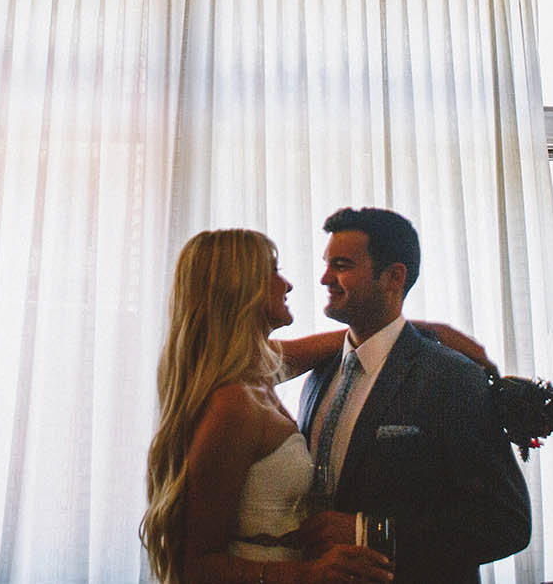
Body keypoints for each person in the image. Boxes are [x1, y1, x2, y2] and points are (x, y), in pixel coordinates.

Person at [142, 229, 490, 584]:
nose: (288, 284)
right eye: (273, 271)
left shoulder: (256, 372)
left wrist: (424, 333)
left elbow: (356, 341)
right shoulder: (234, 404)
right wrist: (305, 574)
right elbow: (193, 566)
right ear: (239, 287)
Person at [297, 207, 530, 582]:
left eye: (341, 265)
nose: (325, 278)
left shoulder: (452, 377)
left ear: (393, 277)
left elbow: (505, 522)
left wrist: (370, 534)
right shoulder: (320, 375)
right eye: (327, 264)